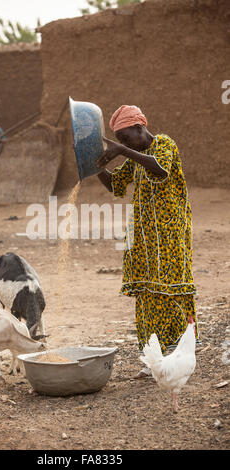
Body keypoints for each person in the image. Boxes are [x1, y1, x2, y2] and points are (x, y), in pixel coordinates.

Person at [96, 105, 200, 377]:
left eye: (126, 138)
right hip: (143, 239)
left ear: (140, 128)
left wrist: (122, 151)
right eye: (120, 141)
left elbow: (160, 170)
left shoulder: (164, 144)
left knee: (170, 290)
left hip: (169, 235)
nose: (124, 144)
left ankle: (179, 355)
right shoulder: (136, 157)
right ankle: (154, 358)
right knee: (146, 296)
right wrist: (91, 165)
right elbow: (115, 185)